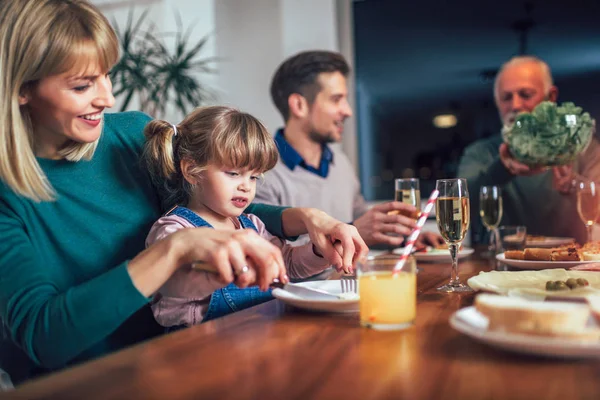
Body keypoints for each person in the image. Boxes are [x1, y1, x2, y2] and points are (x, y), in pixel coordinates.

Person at [0, 0, 367, 384]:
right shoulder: (8, 192)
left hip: (181, 366)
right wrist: (174, 249)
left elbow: (213, 200)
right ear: (22, 88)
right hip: (88, 386)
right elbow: (45, 337)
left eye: (107, 75)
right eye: (81, 85)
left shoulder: (129, 135)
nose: (107, 98)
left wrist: (306, 218)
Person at [143, 106, 342, 327]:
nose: (246, 187)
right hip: (205, 350)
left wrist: (320, 251)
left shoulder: (251, 225)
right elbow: (170, 299)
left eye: (254, 177)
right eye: (234, 174)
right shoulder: (173, 230)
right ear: (191, 171)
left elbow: (287, 265)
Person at [255, 50, 443, 248]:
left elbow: (363, 224)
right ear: (299, 105)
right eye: (336, 99)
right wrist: (353, 230)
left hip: (352, 279)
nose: (348, 111)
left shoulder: (340, 162)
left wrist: (405, 238)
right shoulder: (259, 172)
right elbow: (273, 260)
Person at [458, 56, 600, 244]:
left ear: (551, 97)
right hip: (496, 266)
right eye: (506, 97)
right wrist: (502, 169)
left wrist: (574, 184)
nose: (515, 106)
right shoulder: (481, 152)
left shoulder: (583, 147)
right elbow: (458, 208)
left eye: (526, 94)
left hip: (568, 264)